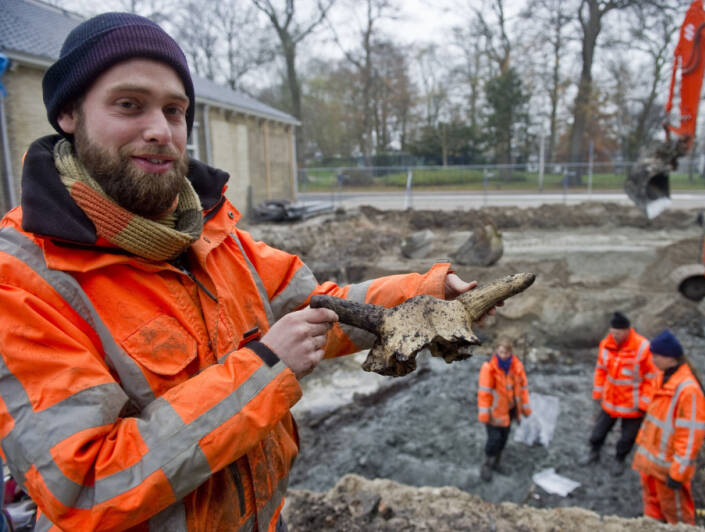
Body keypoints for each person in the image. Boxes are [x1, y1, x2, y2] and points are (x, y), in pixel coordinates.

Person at [0, 13, 483, 531]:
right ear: (69, 114)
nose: (160, 130)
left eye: (174, 109)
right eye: (128, 105)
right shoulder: (23, 281)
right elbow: (84, 486)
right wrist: (267, 366)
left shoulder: (213, 234)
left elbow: (321, 306)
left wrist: (425, 298)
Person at [632, 329, 705, 525]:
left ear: (670, 357)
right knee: (653, 509)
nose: (653, 360)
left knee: (677, 516)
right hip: (651, 465)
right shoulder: (662, 379)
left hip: (667, 470)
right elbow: (653, 420)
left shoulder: (688, 390)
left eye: (656, 356)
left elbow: (690, 437)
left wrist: (678, 473)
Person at [579, 311, 656, 476]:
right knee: (598, 432)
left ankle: (619, 459)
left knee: (627, 438)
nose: (615, 335)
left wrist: (644, 402)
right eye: (612, 332)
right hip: (610, 401)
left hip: (632, 405)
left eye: (618, 333)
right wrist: (597, 393)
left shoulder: (643, 347)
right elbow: (600, 369)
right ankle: (594, 452)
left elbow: (651, 378)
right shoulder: (606, 344)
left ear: (628, 330)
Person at [477, 337, 532, 482]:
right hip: (494, 412)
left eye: (506, 353)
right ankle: (487, 465)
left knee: (503, 439)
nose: (503, 356)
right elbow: (484, 392)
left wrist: (525, 409)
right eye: (500, 352)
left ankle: (497, 463)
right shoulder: (489, 368)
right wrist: (484, 414)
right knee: (493, 439)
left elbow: (523, 389)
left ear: (511, 352)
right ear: (496, 351)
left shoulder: (517, 366)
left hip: (509, 411)